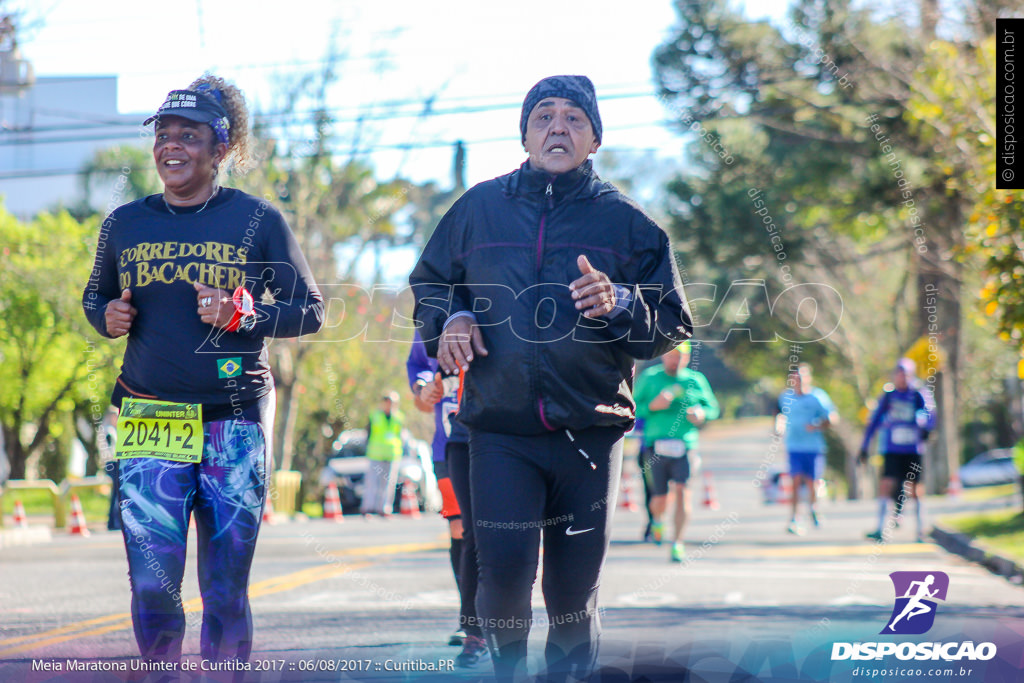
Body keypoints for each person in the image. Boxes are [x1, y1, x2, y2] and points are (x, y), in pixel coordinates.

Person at [409, 75, 691, 682]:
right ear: (525, 133)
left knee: (571, 595)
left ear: (594, 140)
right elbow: (430, 281)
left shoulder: (627, 224)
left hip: (589, 435)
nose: (557, 128)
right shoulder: (479, 208)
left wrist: (618, 301)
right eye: (544, 116)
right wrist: (451, 318)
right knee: (504, 578)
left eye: (573, 119)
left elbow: (670, 325)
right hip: (500, 432)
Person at [81, 74, 324, 665]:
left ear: (220, 150)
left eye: (187, 136)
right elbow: (95, 297)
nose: (171, 146)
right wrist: (106, 315)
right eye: (163, 134)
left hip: (232, 424)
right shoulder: (124, 224)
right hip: (148, 418)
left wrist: (242, 311)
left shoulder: (258, 220)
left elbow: (310, 312)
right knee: (150, 586)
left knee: (223, 592)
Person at [407, 331, 489, 667]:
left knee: (488, 530)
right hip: (449, 445)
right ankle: (471, 624)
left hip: (500, 437)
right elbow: (419, 381)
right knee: (463, 531)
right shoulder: (430, 321)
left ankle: (495, 615)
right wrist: (425, 391)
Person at [634, 341, 719, 562]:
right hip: (656, 446)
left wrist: (702, 414)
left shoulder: (695, 380)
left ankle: (677, 543)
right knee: (660, 498)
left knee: (683, 491)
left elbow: (713, 408)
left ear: (688, 357)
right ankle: (658, 521)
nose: (675, 361)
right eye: (671, 356)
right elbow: (631, 407)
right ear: (664, 356)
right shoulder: (650, 377)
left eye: (680, 357)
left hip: (686, 445)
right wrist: (652, 406)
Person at [860, 358, 936, 542]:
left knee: (915, 489)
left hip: (913, 450)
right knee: (886, 486)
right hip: (892, 450)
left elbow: (930, 413)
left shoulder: (919, 393)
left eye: (906, 374)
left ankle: (920, 531)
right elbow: (875, 421)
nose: (902, 378)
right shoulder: (889, 395)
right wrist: (864, 446)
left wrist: (924, 425)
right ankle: (880, 528)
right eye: (899, 373)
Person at [775, 363, 837, 535]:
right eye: (795, 377)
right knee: (794, 482)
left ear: (808, 378)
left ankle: (814, 510)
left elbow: (831, 417)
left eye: (802, 377)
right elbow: (780, 415)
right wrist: (778, 428)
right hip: (794, 446)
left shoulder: (818, 397)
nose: (799, 381)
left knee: (813, 482)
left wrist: (817, 425)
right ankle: (794, 518)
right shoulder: (785, 397)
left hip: (813, 447)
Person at [361, 392, 404, 517]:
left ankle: (384, 508)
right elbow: (368, 434)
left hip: (392, 454)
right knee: (372, 482)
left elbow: (400, 435)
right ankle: (368, 508)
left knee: (389, 483)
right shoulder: (375, 416)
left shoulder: (398, 417)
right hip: (376, 454)